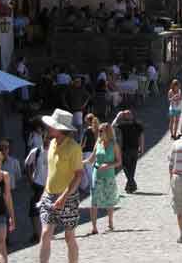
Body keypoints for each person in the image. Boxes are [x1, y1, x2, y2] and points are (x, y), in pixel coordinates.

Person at [36, 109, 83, 263]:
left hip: (68, 197)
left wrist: (64, 196)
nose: (48, 128)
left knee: (69, 237)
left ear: (61, 129)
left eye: (52, 126)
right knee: (45, 234)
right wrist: (44, 193)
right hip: (49, 195)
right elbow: (51, 172)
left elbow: (78, 175)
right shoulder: (52, 143)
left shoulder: (74, 148)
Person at [90, 122, 122, 234]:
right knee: (94, 201)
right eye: (98, 130)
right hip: (96, 175)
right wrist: (78, 163)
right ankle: (94, 227)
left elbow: (119, 162)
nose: (98, 133)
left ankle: (110, 223)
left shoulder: (114, 145)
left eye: (101, 131)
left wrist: (108, 165)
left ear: (107, 132)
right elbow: (91, 160)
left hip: (109, 176)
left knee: (109, 200)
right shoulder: (97, 143)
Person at [24, 132, 50, 244]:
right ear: (43, 138)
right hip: (38, 184)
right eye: (47, 138)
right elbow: (27, 164)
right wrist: (30, 179)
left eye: (50, 138)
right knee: (34, 211)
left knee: (49, 209)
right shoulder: (36, 151)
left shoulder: (56, 151)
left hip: (50, 185)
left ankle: (47, 233)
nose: (48, 140)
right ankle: (36, 233)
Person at [112, 108, 145, 193]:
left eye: (129, 113)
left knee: (131, 168)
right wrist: (117, 117)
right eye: (126, 114)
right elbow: (112, 127)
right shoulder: (122, 125)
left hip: (134, 149)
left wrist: (141, 147)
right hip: (124, 149)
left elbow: (141, 136)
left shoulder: (137, 124)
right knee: (127, 167)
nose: (129, 115)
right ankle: (131, 185)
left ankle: (130, 184)